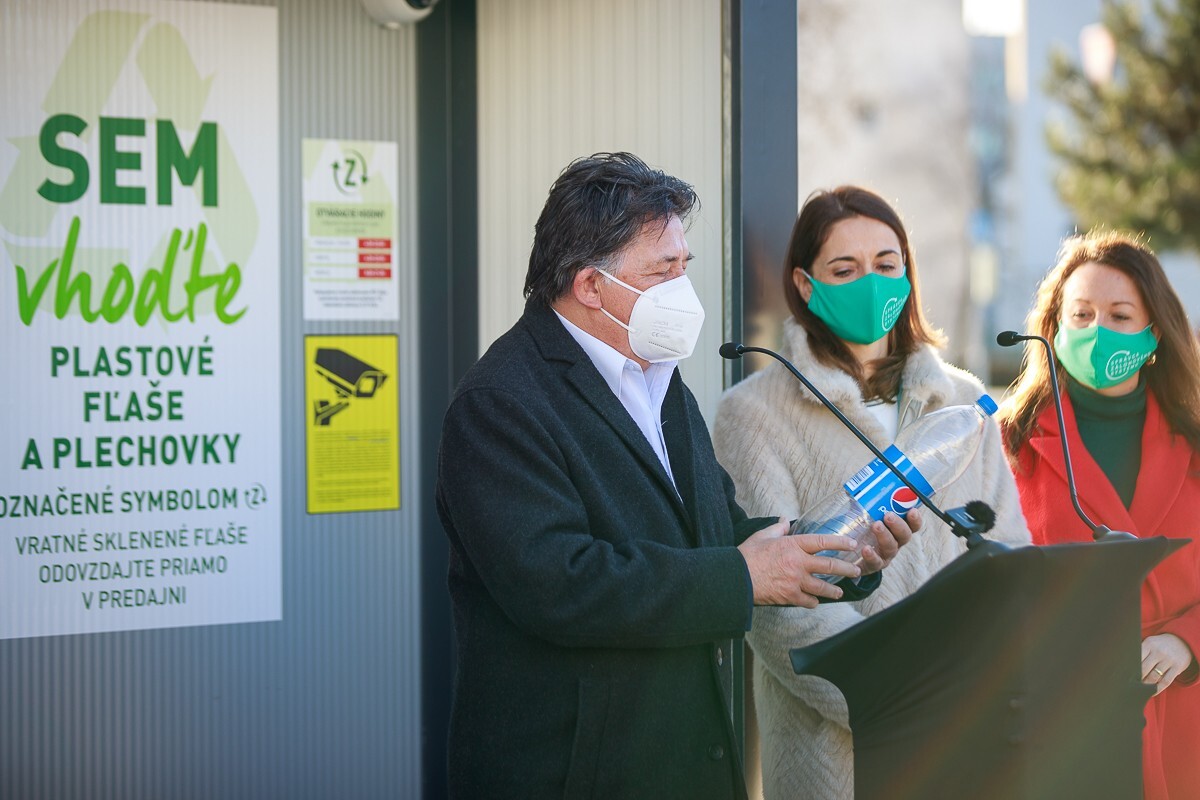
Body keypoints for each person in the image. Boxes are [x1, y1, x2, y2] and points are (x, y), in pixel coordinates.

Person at [435, 154, 918, 799]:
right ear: (590, 285)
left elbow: (717, 529)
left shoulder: (658, 376)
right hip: (570, 774)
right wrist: (743, 576)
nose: (681, 289)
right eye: (661, 272)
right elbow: (558, 584)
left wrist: (839, 546)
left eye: (683, 266)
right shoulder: (499, 402)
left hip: (685, 761)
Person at [713, 185, 1030, 800]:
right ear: (805, 285)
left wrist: (981, 690)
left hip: (969, 737)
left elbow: (1010, 555)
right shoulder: (752, 415)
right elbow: (775, 608)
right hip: (838, 757)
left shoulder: (965, 402)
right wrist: (902, 701)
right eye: (845, 269)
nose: (872, 283)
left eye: (887, 265)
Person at [998, 230, 1200, 800]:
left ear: (1154, 332)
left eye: (1119, 315)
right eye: (1081, 315)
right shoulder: (1007, 443)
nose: (1097, 330)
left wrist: (1187, 642)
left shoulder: (1195, 445)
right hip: (1054, 721)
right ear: (1054, 327)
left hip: (1181, 724)